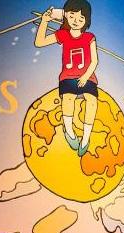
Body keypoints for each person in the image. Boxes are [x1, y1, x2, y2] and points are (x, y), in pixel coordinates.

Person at [36, 1, 99, 156]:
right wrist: (44, 21)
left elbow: (95, 61)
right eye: (72, 16)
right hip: (68, 77)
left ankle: (85, 138)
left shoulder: (90, 37)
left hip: (87, 77)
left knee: (91, 101)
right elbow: (39, 42)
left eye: (81, 18)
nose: (76, 20)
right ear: (66, 16)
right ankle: (69, 132)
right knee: (68, 99)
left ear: (86, 20)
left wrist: (85, 76)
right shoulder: (63, 35)